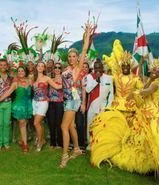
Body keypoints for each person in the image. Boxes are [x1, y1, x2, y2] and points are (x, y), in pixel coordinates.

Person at [90, 56, 159, 175]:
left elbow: (146, 92)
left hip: (155, 112)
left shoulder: (156, 83)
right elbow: (144, 87)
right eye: (153, 70)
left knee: (158, 136)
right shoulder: (151, 81)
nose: (154, 72)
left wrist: (134, 93)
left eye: (157, 71)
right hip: (146, 110)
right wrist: (143, 73)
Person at [59, 23, 96, 168]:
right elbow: (63, 85)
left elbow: (85, 49)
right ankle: (76, 149)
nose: (72, 58)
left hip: (72, 100)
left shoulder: (77, 68)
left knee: (63, 127)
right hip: (68, 98)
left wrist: (87, 35)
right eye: (70, 56)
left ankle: (64, 156)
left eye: (74, 56)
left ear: (77, 58)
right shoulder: (67, 69)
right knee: (72, 126)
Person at [0, 66, 33, 153]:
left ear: (25, 72)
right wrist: (0, 99)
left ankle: (22, 140)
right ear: (17, 73)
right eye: (19, 71)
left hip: (28, 105)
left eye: (22, 71)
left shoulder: (30, 81)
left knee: (25, 122)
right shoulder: (15, 83)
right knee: (22, 123)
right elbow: (8, 92)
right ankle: (25, 144)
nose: (21, 72)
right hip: (19, 106)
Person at [32, 61, 62, 152]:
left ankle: (40, 142)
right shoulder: (33, 78)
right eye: (39, 65)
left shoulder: (47, 78)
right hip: (34, 102)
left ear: (44, 68)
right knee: (39, 123)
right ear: (36, 67)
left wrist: (69, 83)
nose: (40, 67)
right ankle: (42, 139)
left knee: (36, 123)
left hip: (43, 102)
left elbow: (57, 87)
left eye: (42, 66)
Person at [85, 59, 113, 151]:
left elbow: (111, 94)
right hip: (92, 106)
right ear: (93, 68)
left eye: (99, 67)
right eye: (96, 68)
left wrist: (108, 107)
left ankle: (101, 144)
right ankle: (90, 143)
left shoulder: (109, 78)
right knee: (90, 125)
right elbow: (87, 90)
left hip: (103, 106)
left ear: (102, 68)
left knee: (102, 126)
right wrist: (96, 80)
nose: (97, 69)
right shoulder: (89, 77)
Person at [46, 63, 64, 149]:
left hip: (60, 103)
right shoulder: (50, 79)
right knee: (51, 123)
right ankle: (53, 142)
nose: (57, 69)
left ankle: (60, 143)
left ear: (61, 69)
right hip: (50, 103)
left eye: (59, 67)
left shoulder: (64, 79)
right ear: (53, 69)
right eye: (55, 67)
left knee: (59, 123)